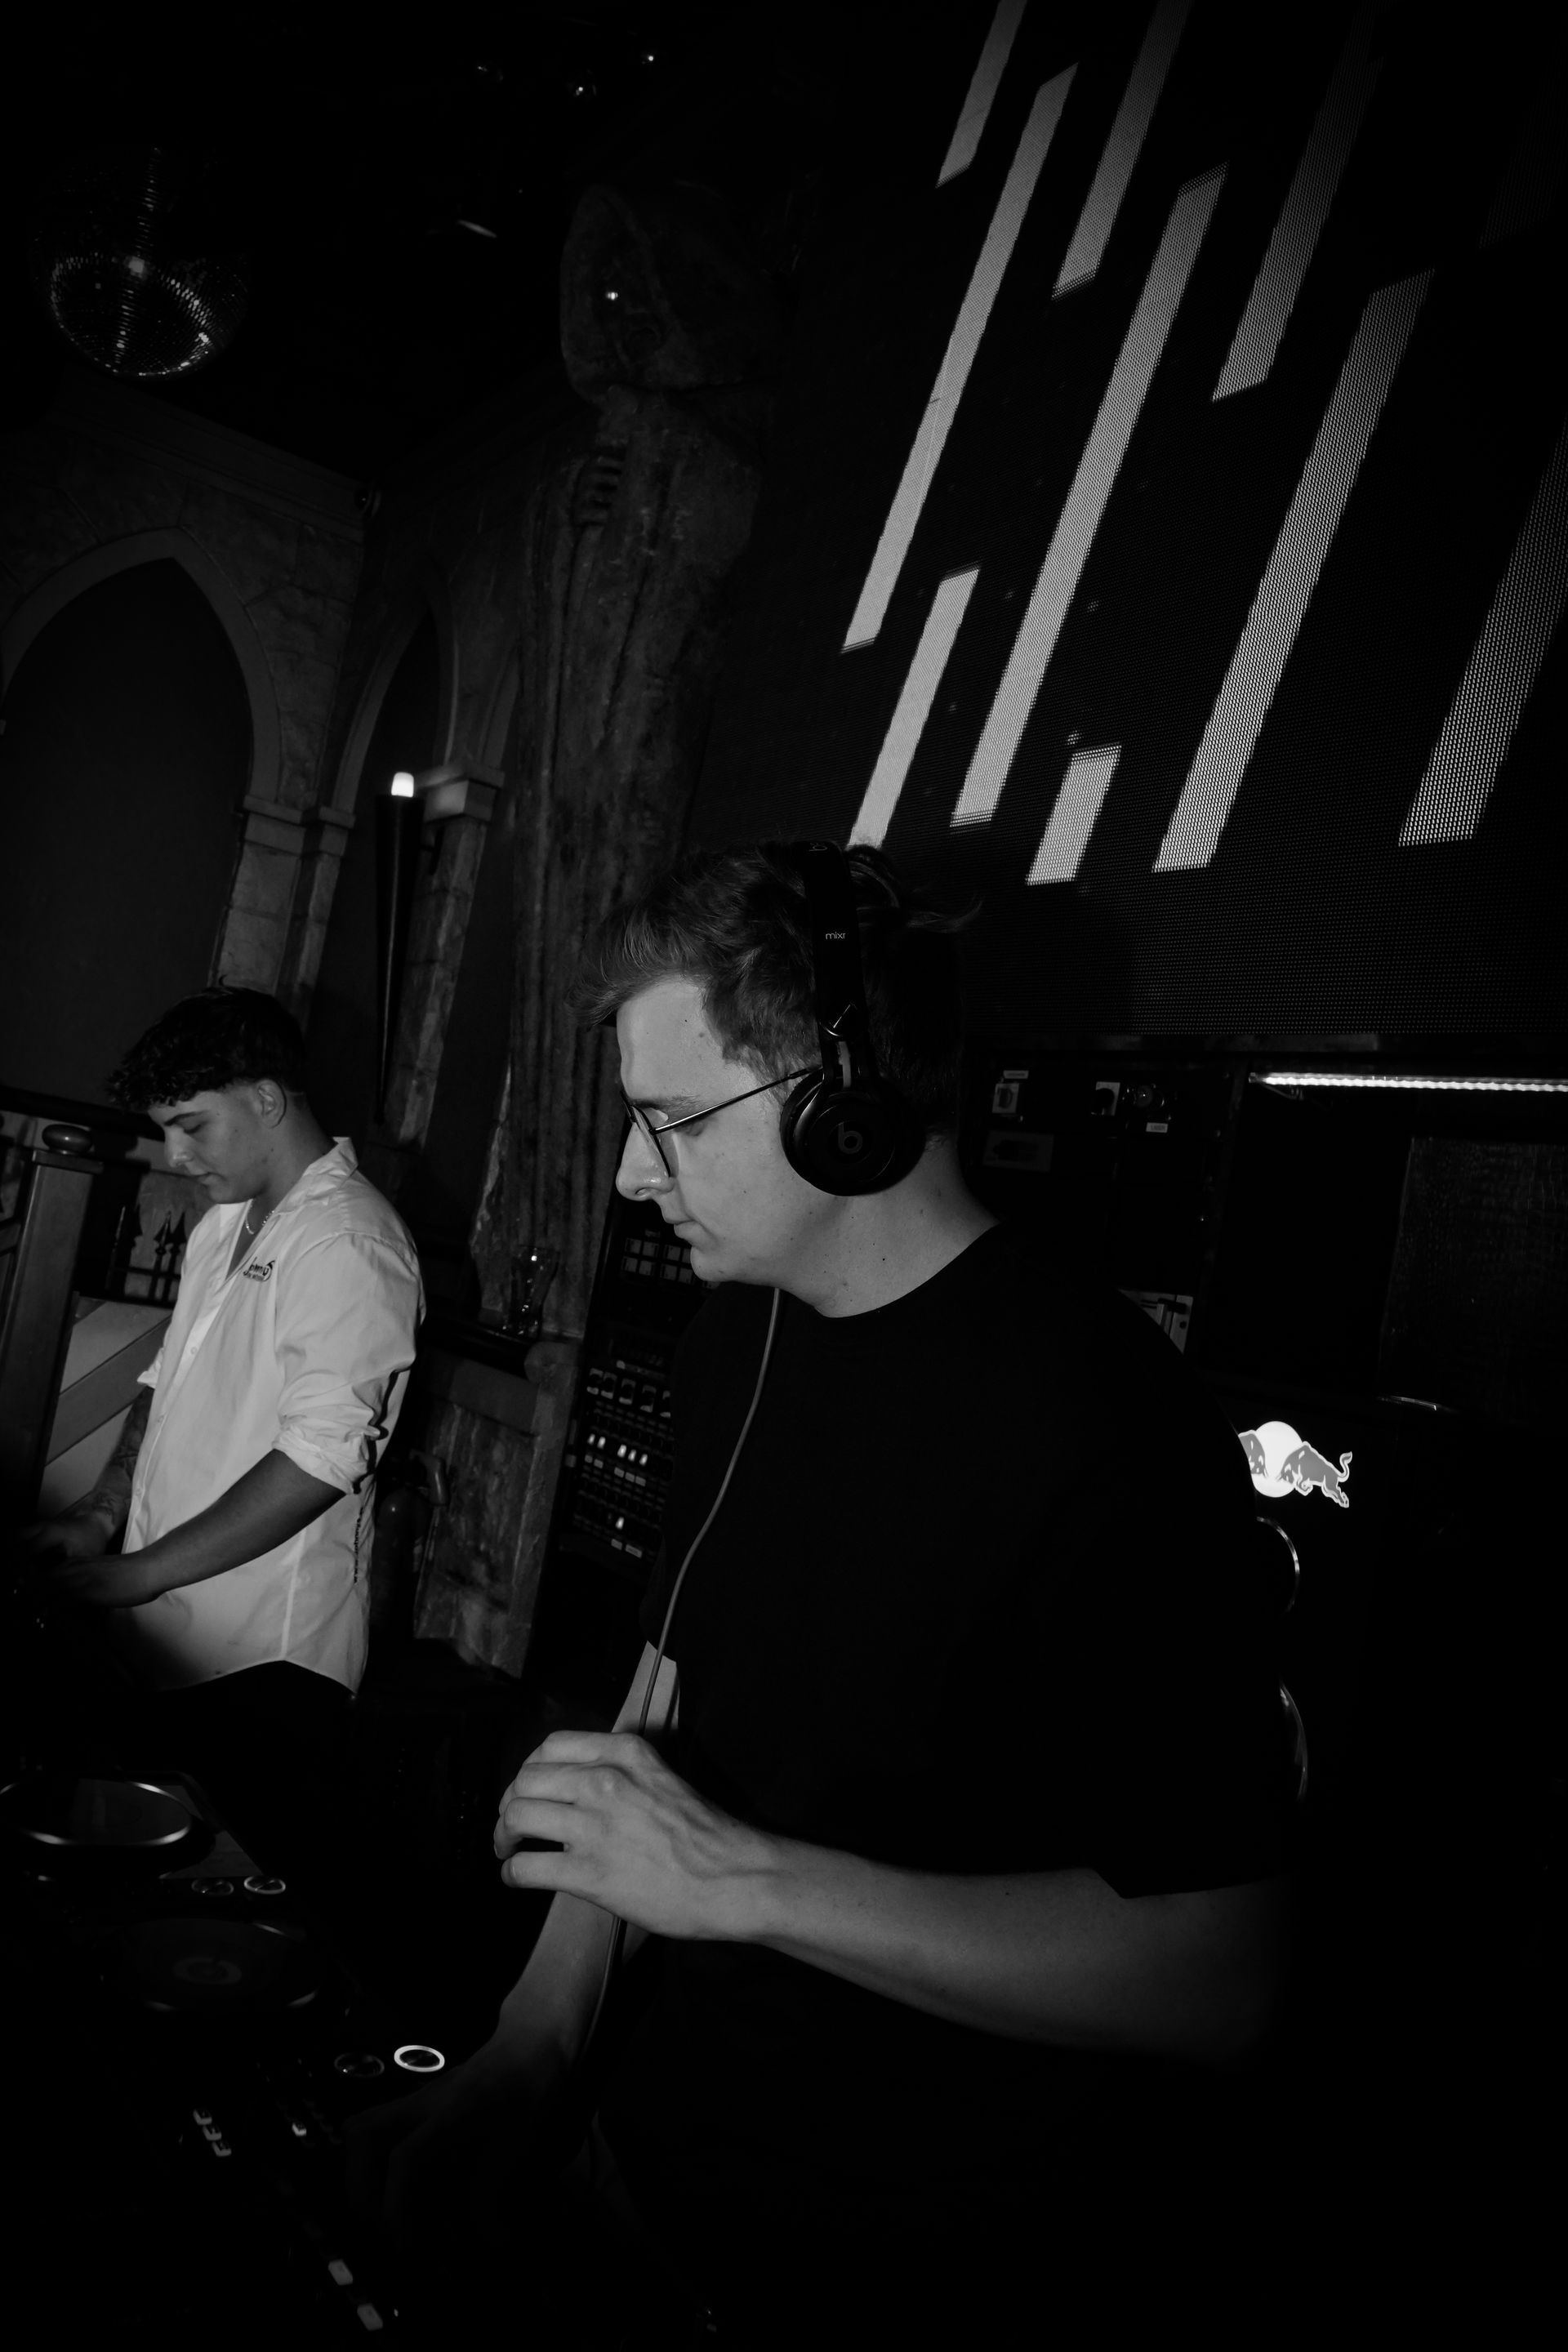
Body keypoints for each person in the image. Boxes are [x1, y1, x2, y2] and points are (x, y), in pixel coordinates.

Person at [348, 844, 1298, 2345]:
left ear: (843, 1109)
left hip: (892, 2280)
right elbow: (661, 1709)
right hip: (633, 2159)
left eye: (670, 1122)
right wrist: (535, 2046)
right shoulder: (738, 1336)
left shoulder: (1108, 1426)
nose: (630, 1175)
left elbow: (1226, 1977)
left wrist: (746, 1882)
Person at [20, 985, 423, 1887]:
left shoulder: (350, 1240)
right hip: (165, 1636)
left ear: (268, 1098)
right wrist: (100, 1515)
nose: (175, 1154)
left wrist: (139, 1573)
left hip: (264, 1668)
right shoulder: (219, 1228)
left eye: (192, 1125)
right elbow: (162, 1387)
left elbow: (322, 1458)